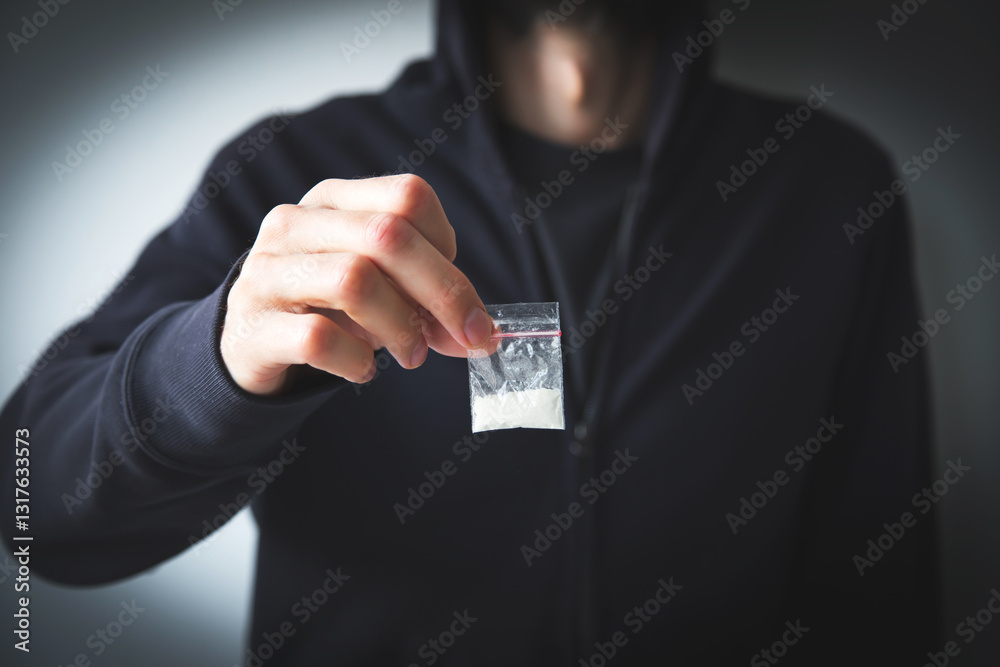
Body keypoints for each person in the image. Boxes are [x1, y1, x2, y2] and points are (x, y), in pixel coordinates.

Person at [0, 0, 941, 663]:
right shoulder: (295, 171)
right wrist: (215, 361)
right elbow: (28, 502)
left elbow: (884, 579)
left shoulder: (828, 187)